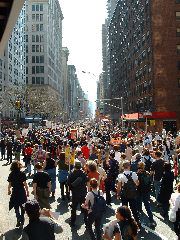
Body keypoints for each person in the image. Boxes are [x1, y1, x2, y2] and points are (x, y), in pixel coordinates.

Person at [116, 161, 140, 226]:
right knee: (134, 209)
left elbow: (119, 187)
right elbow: (137, 184)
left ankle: (124, 223)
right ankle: (137, 223)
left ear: (123, 167)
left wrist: (118, 194)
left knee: (124, 209)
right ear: (129, 166)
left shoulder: (120, 175)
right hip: (132, 194)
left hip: (124, 195)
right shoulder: (134, 174)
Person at [7, 161, 29, 227]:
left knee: (16, 205)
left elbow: (9, 184)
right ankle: (22, 218)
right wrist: (27, 191)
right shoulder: (22, 173)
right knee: (22, 206)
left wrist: (8, 190)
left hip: (15, 191)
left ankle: (18, 217)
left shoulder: (11, 174)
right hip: (22, 191)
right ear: (19, 166)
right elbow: (25, 184)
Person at [67, 160, 88, 227]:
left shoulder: (71, 174)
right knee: (85, 208)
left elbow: (68, 184)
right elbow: (87, 181)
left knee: (74, 208)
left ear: (75, 166)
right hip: (83, 193)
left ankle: (72, 222)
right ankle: (86, 223)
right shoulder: (83, 173)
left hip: (75, 193)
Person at [137, 162, 156, 227]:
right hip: (146, 191)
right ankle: (151, 219)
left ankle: (140, 213)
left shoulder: (138, 174)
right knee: (147, 205)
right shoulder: (147, 173)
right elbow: (150, 182)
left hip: (139, 191)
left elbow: (137, 183)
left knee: (139, 202)